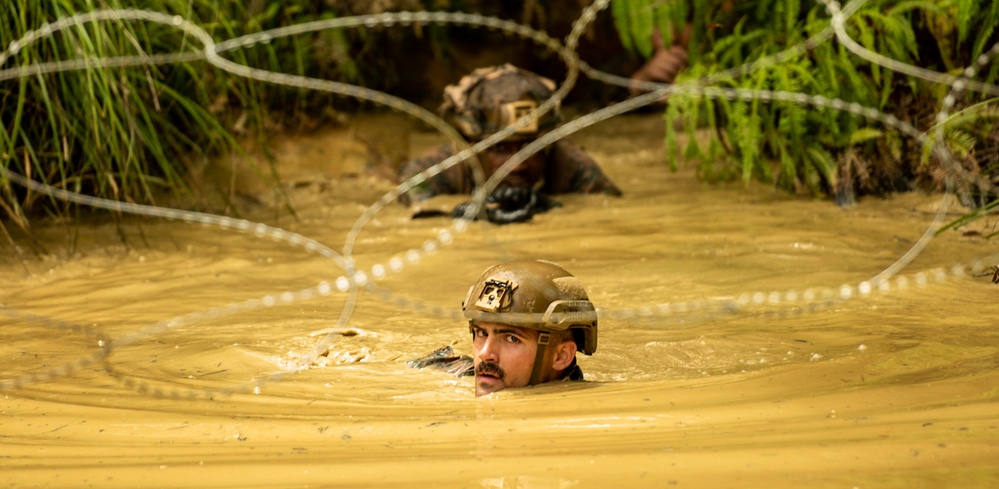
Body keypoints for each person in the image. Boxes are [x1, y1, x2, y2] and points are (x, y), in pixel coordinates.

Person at [398, 64, 622, 224]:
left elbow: (614, 214)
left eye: (530, 148)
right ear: (470, 147)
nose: (518, 165)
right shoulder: (431, 171)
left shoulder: (572, 165)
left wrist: (556, 209)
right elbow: (414, 219)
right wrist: (470, 213)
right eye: (500, 148)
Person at [408, 260, 598, 396]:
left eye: (511, 338)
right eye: (481, 333)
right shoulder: (439, 369)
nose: (485, 354)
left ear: (561, 356)